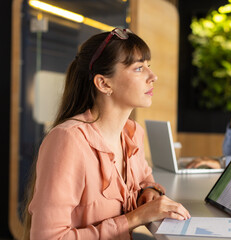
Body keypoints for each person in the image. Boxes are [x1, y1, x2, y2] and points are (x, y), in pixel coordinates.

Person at [22, 28, 190, 240]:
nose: (153, 76)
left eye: (149, 66)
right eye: (138, 68)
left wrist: (149, 191)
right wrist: (134, 218)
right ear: (103, 83)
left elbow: (145, 178)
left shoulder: (132, 132)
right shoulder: (68, 140)